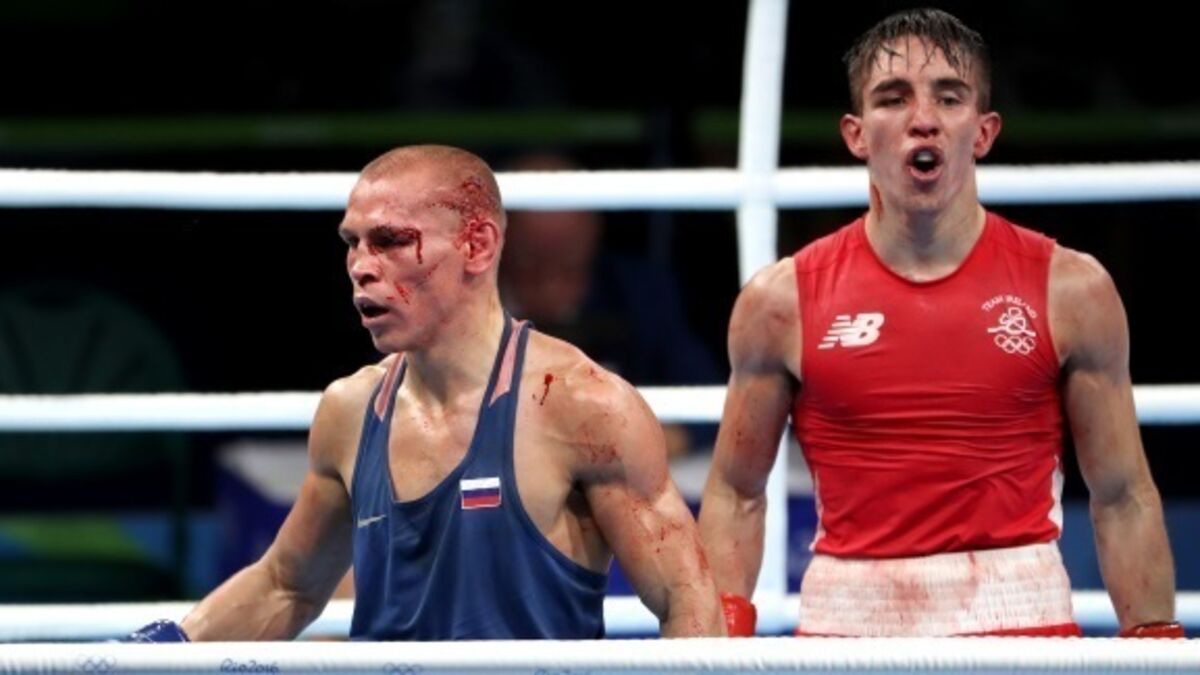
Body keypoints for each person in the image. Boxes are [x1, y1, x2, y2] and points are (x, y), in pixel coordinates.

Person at [698, 8, 1183, 638]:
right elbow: (736, 492)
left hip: (1022, 625)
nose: (922, 119)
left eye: (948, 98)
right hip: (847, 631)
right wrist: (717, 647)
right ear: (856, 134)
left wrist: (1153, 637)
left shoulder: (1071, 290)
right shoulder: (780, 302)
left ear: (983, 132)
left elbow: (1122, 494)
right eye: (893, 98)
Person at [128, 144, 723, 641]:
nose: (361, 266)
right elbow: (286, 585)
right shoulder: (349, 410)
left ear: (476, 246)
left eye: (389, 240)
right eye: (352, 242)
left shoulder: (578, 405)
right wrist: (163, 649)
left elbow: (689, 602)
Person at [500, 152, 723, 458]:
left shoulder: (642, 292)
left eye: (566, 262)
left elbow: (710, 400)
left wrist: (634, 449)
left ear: (593, 232)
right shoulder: (463, 300)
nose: (552, 279)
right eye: (533, 262)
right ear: (498, 243)